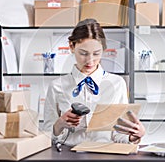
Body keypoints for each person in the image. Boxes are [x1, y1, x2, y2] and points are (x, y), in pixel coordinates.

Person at [43, 18, 145, 147]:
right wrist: (60, 124)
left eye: (96, 53)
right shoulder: (56, 86)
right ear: (71, 47)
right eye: (83, 53)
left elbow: (119, 135)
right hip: (66, 156)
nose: (90, 61)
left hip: (104, 157)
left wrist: (133, 137)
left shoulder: (117, 84)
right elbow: (46, 135)